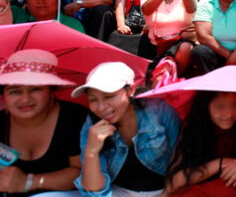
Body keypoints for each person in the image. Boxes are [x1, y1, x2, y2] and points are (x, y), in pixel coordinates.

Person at [0, 49, 88, 197]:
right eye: (15, 91)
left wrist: (28, 182)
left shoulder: (75, 118)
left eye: (35, 89)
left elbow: (85, 174)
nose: (25, 99)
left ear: (52, 91)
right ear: (3, 96)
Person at [72, 62, 180, 197]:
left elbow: (181, 161)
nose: (101, 107)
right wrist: (91, 151)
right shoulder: (92, 124)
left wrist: (169, 192)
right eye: (93, 100)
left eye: (109, 97)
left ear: (130, 90)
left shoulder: (159, 110)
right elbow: (94, 189)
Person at [165, 91, 236, 196]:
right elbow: (172, 183)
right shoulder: (193, 128)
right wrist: (221, 163)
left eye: (235, 104)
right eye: (220, 107)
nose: (229, 114)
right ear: (205, 106)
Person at [141, 0, 197, 73]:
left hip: (182, 48)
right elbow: (146, 10)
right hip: (157, 48)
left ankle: (175, 76)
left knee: (185, 47)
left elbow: (191, 8)